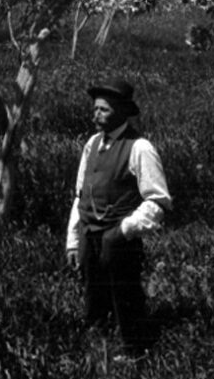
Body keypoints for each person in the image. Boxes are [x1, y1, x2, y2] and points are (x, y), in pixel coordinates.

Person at [65, 78, 171, 356]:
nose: (96, 115)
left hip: (120, 237)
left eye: (104, 110)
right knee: (93, 292)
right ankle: (99, 348)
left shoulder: (140, 148)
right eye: (95, 109)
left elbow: (158, 202)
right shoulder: (91, 144)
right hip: (90, 232)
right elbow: (81, 195)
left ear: (123, 112)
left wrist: (123, 229)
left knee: (125, 295)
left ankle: (135, 351)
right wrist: (74, 241)